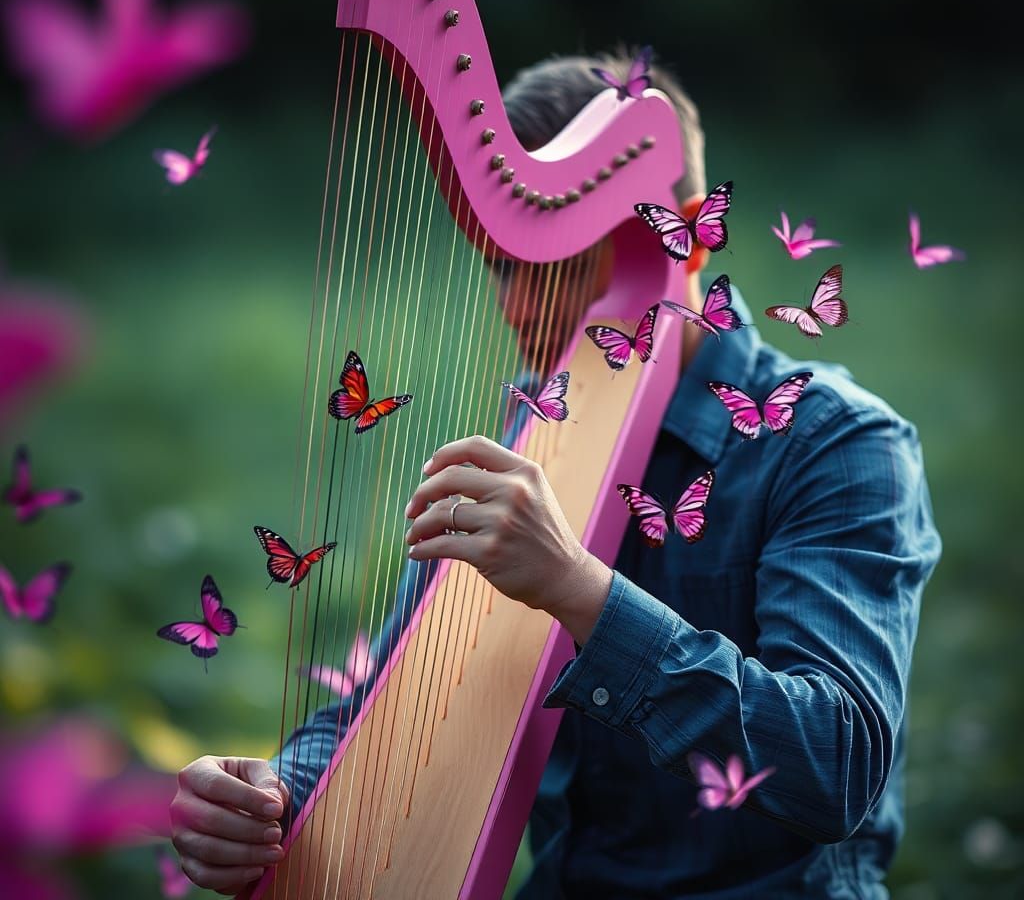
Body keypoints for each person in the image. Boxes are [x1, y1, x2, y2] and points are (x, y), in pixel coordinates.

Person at [170, 48, 941, 897]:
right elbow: (388, 707)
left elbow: (836, 767)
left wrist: (580, 590)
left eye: (564, 266)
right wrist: (273, 796)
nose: (519, 309)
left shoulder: (837, 443)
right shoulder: (534, 426)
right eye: (503, 265)